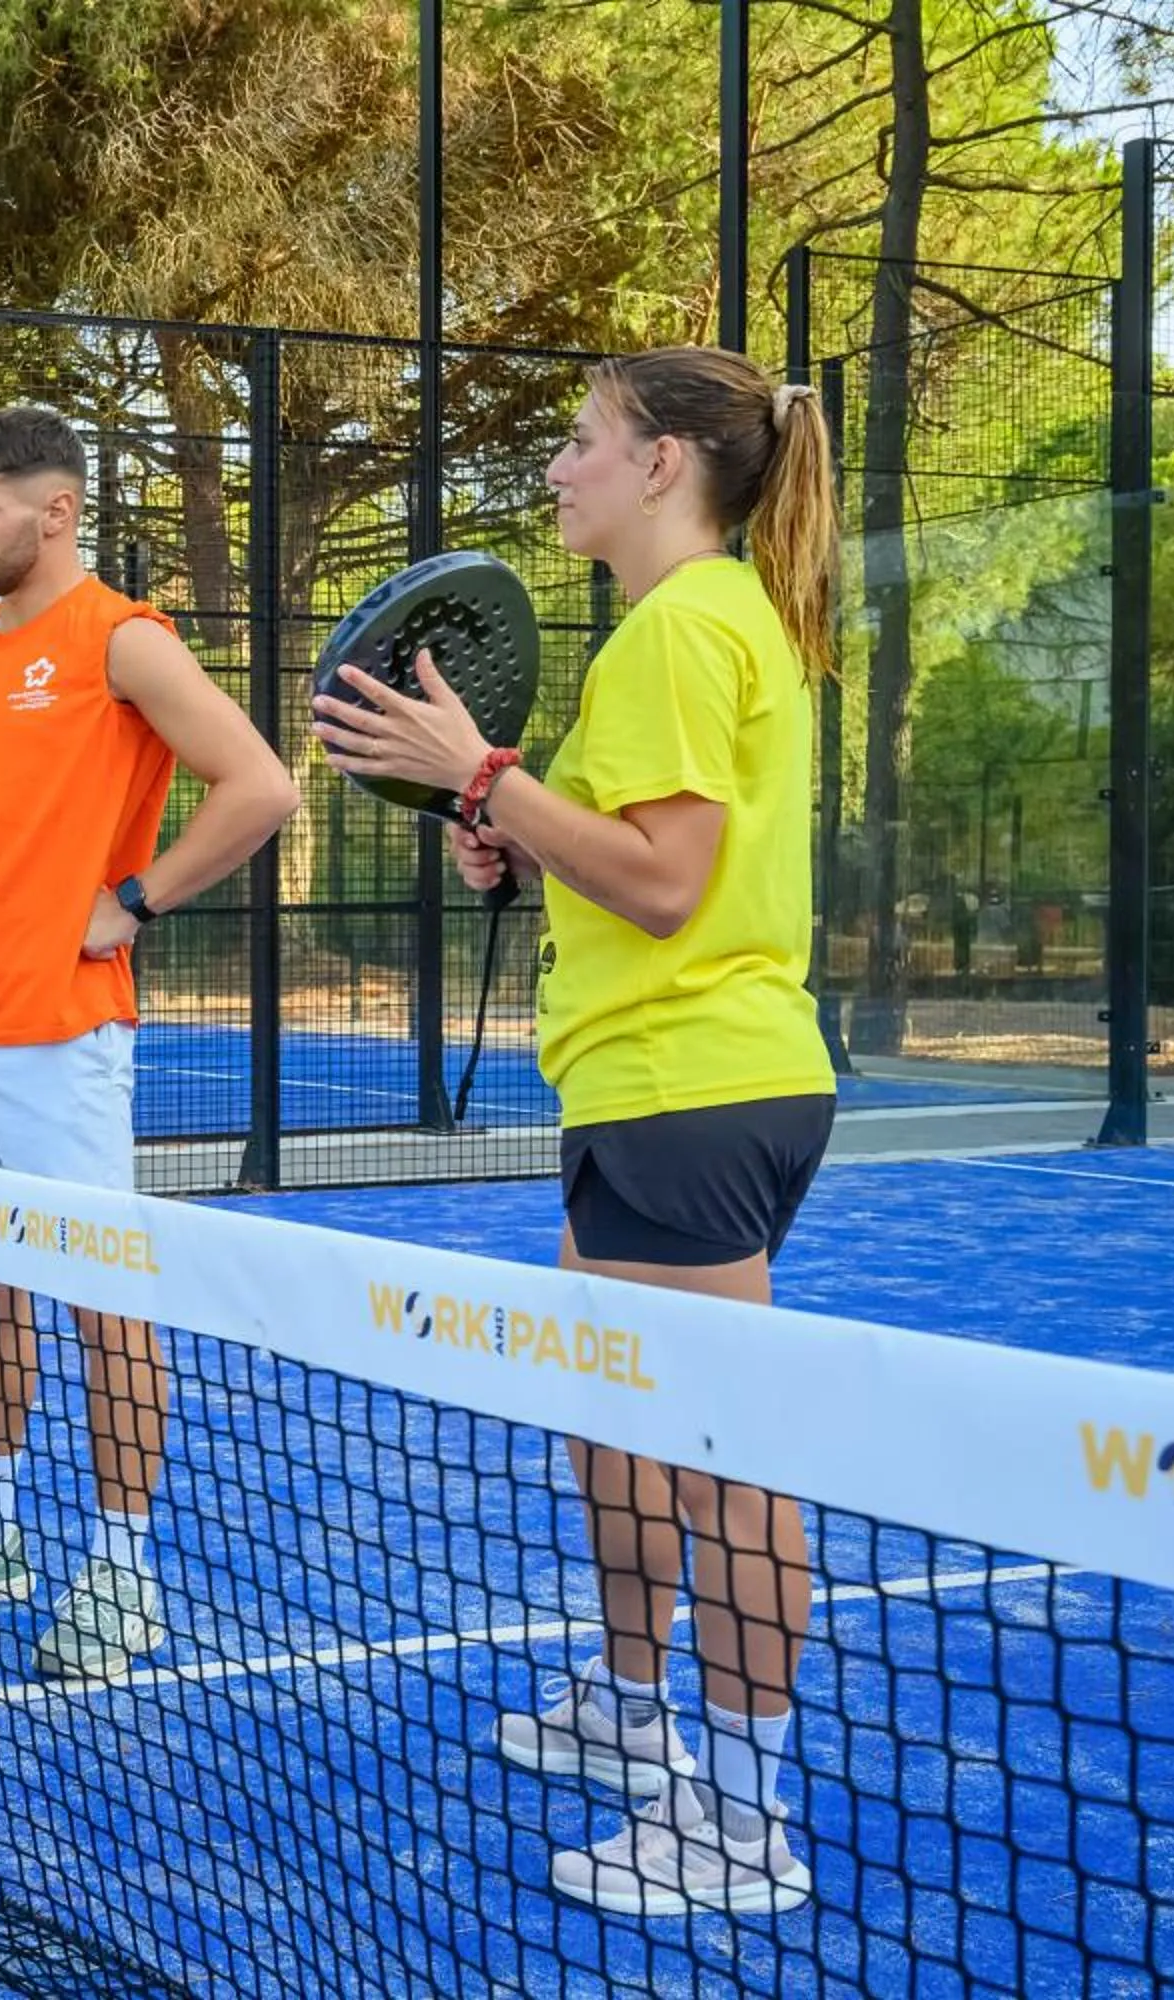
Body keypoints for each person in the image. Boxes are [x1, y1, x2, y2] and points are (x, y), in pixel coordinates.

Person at [310, 346, 840, 1917]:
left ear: (662, 462)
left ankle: (738, 1820)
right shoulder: (695, 622)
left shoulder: (682, 625)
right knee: (612, 1419)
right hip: (653, 1085)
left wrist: (481, 773)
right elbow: (634, 859)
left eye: (583, 440)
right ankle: (628, 1704)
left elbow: (672, 887)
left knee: (725, 1462)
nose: (556, 468)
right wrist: (514, 831)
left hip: (694, 1087)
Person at [0, 407, 299, 1681]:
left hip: (65, 1029)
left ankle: (122, 1571)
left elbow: (263, 786)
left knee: (106, 1302)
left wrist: (135, 900)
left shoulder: (125, 639)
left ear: (57, 512)